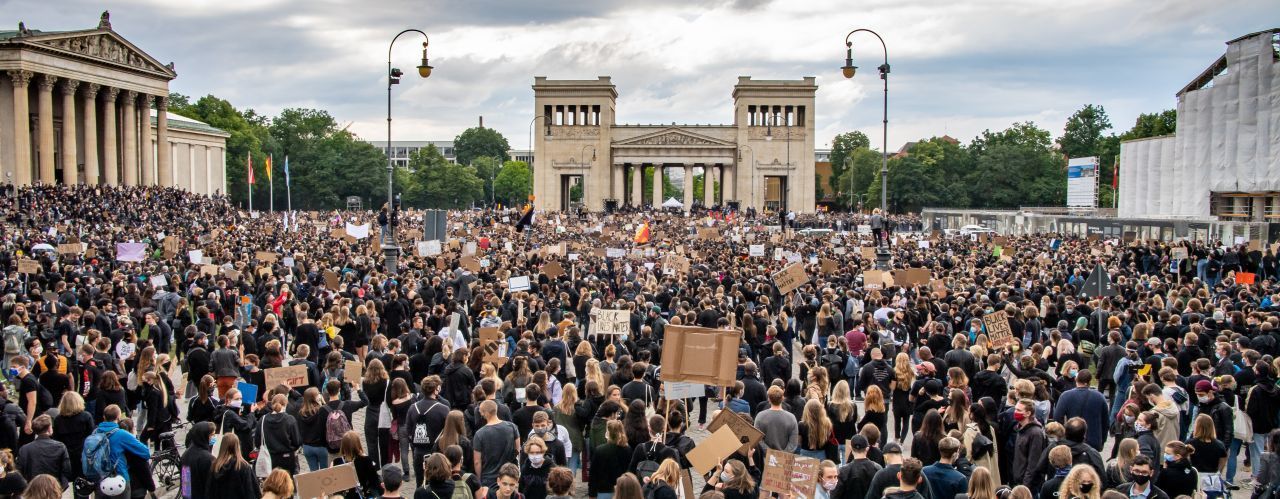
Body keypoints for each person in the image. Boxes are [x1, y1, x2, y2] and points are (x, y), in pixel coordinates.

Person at [87, 404, 150, 499]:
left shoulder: (95, 432)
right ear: (118, 417)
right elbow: (145, 452)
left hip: (100, 480)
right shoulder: (121, 434)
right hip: (119, 477)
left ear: (104, 417)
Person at [1053, 370, 1109, 451]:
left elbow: (1057, 418)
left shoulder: (1066, 396)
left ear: (1076, 379)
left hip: (1072, 441)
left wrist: (1062, 438)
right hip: (1093, 441)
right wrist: (1102, 440)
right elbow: (1105, 422)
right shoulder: (1100, 397)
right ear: (1089, 381)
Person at [474, 400, 520, 488]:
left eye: (481, 412)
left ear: (485, 413)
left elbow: (477, 462)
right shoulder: (512, 427)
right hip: (509, 476)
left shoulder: (479, 434)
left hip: (488, 479)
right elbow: (517, 450)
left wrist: (479, 480)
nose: (481, 415)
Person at [16, 415, 70, 489]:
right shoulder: (60, 447)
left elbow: (19, 471)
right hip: (53, 487)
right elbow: (66, 469)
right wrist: (62, 487)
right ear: (49, 429)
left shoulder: (25, 449)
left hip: (32, 489)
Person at [865, 442, 932, 499]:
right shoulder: (917, 472)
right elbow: (929, 495)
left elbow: (871, 496)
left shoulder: (880, 475)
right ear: (901, 456)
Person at [206, 433, 260, 499]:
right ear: (237, 446)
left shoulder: (215, 466)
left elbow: (209, 491)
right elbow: (251, 490)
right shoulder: (243, 466)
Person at [261, 393, 303, 474]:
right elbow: (297, 441)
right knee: (289, 483)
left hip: (269, 457)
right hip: (287, 457)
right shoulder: (290, 419)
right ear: (285, 404)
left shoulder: (263, 420)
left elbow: (258, 440)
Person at [1012, 399, 1047, 493]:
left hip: (1029, 487)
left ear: (1028, 413)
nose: (1015, 412)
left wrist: (1025, 487)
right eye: (1015, 409)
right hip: (1019, 481)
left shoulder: (1035, 433)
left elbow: (1033, 463)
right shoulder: (1020, 429)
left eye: (1019, 410)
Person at [590, 420, 631, 499]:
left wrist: (592, 493)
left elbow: (593, 474)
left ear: (608, 433)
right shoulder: (627, 449)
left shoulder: (600, 450)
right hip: (621, 490)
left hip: (603, 490)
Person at [834, 434, 881, 499]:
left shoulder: (843, 471)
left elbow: (836, 494)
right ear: (867, 449)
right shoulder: (877, 468)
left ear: (851, 448)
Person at [754, 385, 798, 452]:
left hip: (765, 459)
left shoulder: (760, 416)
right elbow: (793, 444)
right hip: (784, 460)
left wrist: (770, 453)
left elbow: (757, 440)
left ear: (768, 399)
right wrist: (781, 455)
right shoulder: (791, 418)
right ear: (782, 398)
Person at [180, 421, 216, 499]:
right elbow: (211, 486)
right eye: (212, 435)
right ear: (205, 436)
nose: (213, 437)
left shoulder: (185, 455)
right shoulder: (208, 459)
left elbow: (186, 486)